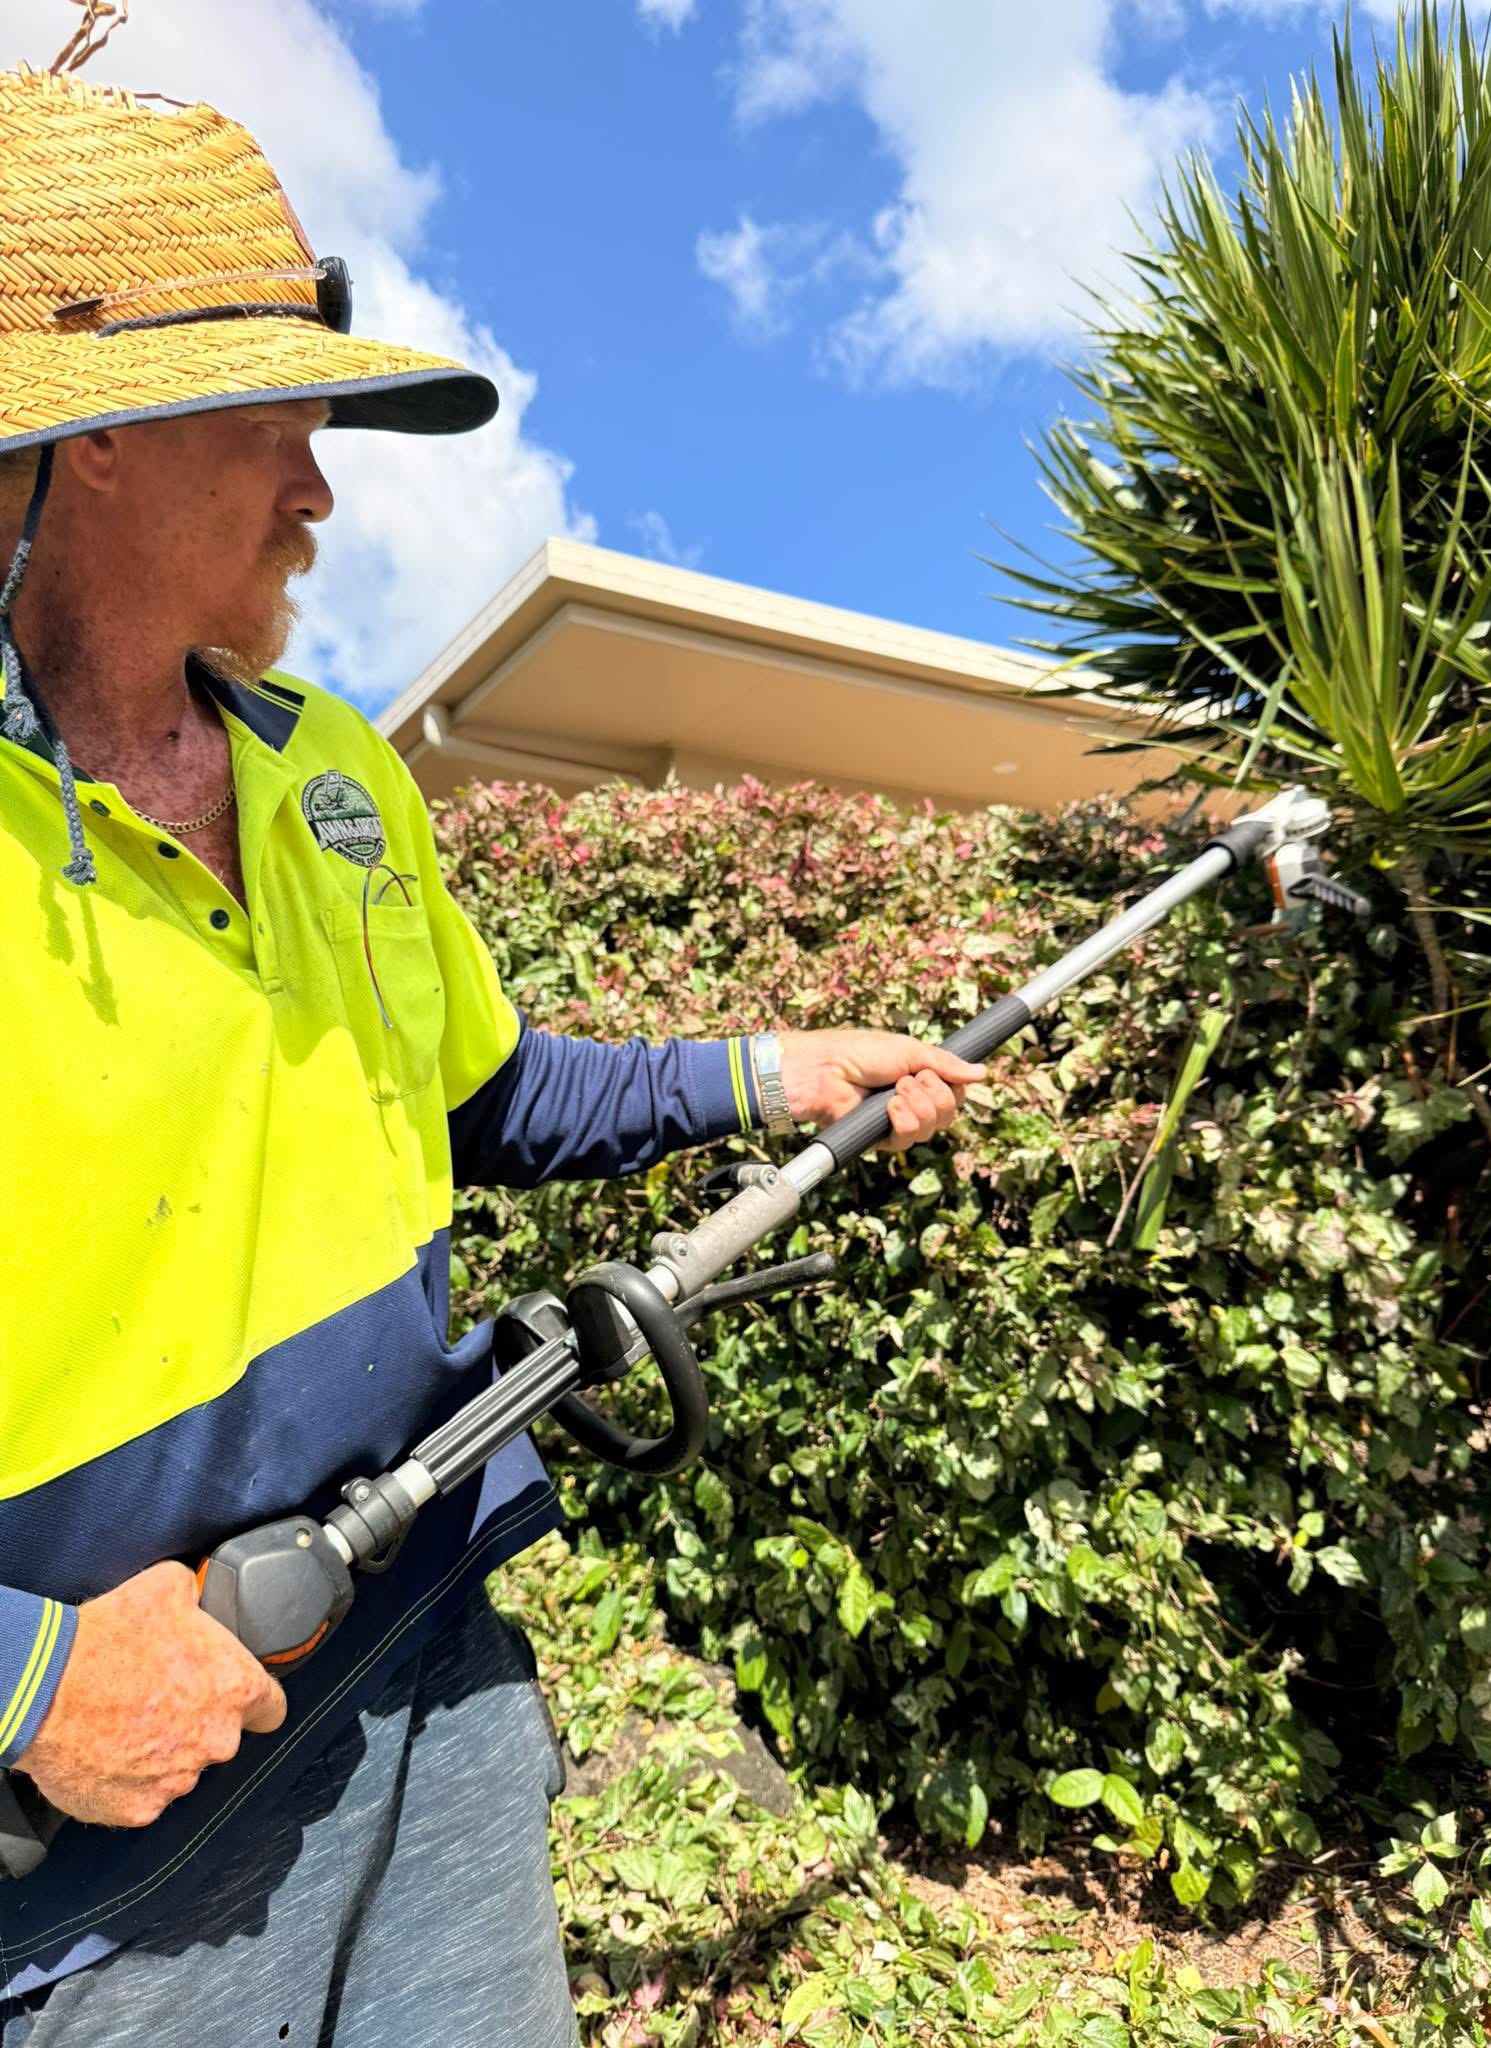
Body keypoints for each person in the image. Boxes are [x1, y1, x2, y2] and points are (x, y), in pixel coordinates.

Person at [0, 55, 983, 2048]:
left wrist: (774, 1071)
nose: (320, 491)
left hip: (428, 1660)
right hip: (103, 1863)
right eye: (276, 424)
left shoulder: (336, 774)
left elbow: (486, 1095)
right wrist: (28, 1680)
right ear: (91, 439)